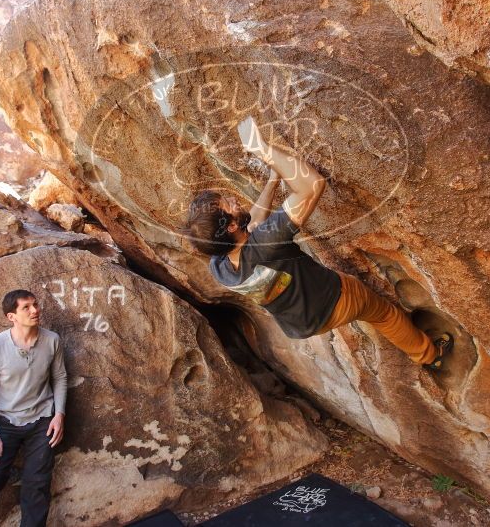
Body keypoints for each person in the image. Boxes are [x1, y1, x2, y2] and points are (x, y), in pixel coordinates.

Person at [183, 116, 453, 370]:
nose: (233, 201)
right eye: (228, 205)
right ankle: (430, 356)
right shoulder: (267, 242)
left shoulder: (219, 264)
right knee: (385, 315)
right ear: (230, 226)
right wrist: (261, 149)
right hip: (338, 299)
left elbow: (250, 224)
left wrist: (273, 180)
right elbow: (312, 185)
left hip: (302, 323)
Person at [0, 290, 67, 527]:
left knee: (36, 486)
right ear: (11, 316)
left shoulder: (52, 340)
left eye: (35, 304)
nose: (35, 310)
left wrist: (59, 414)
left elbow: (60, 378)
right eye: (26, 307)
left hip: (43, 420)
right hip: (5, 422)